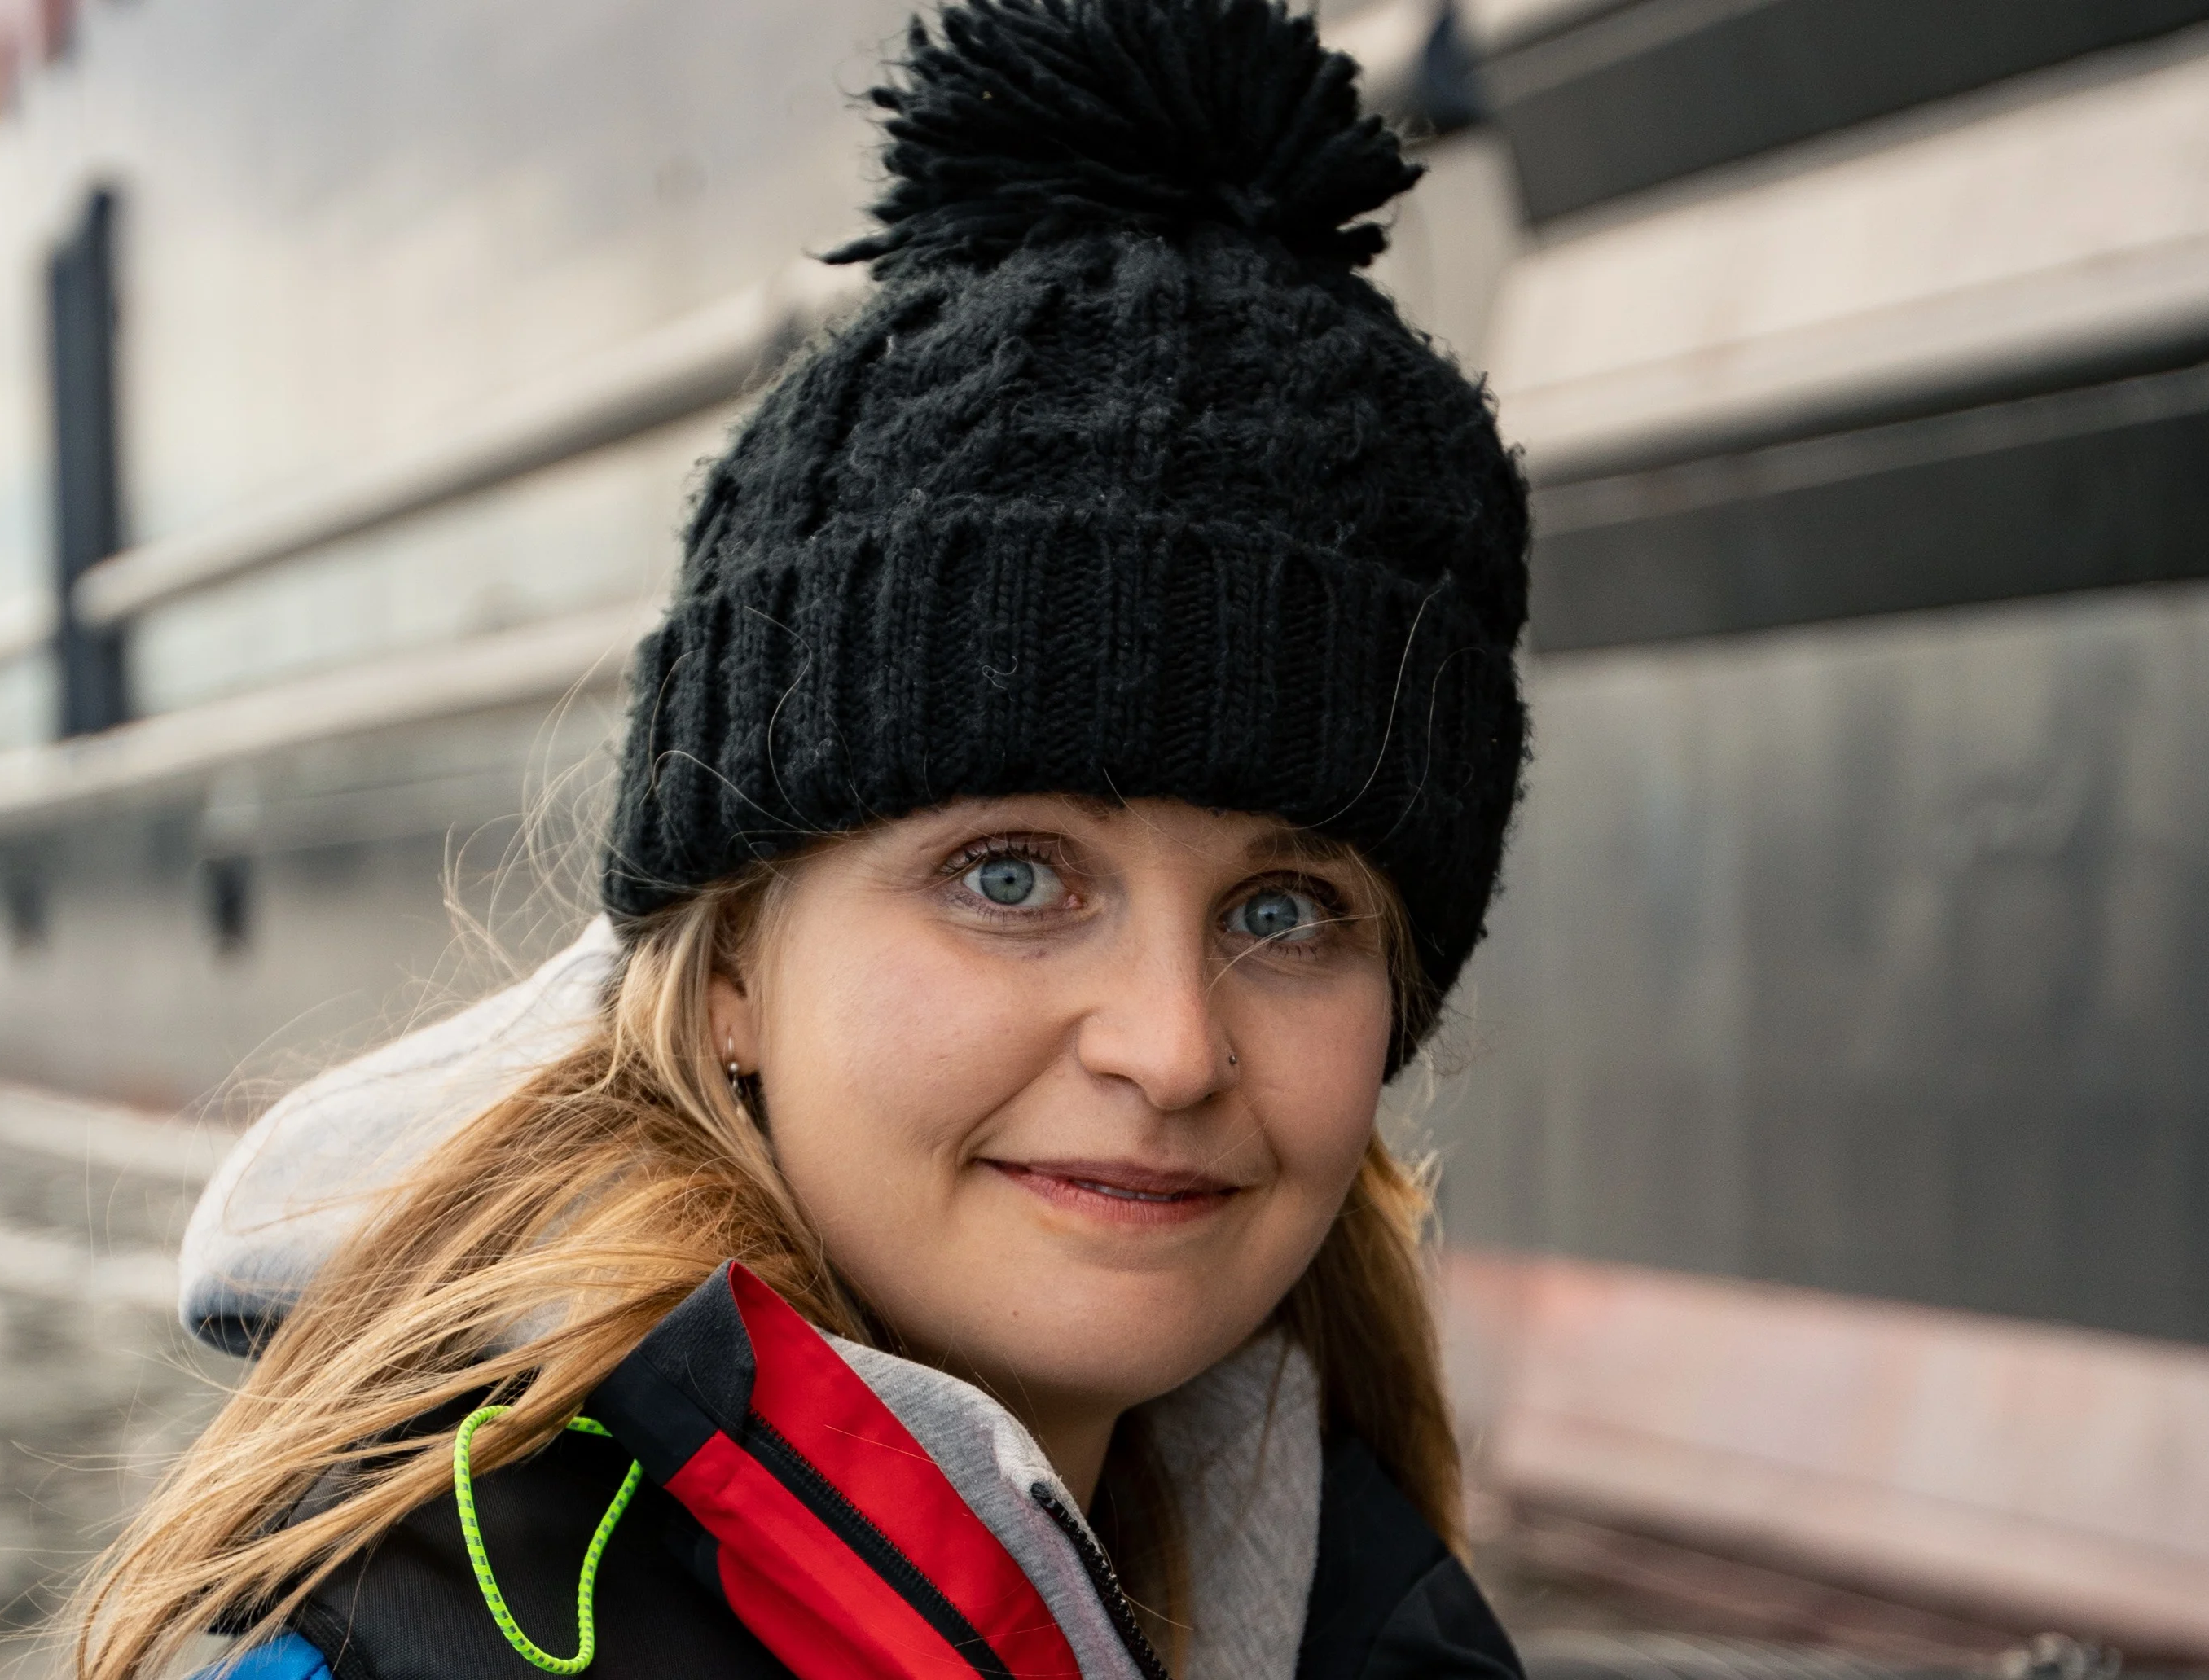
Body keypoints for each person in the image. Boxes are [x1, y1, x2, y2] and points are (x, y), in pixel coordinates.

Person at [76, 0, 1530, 1672]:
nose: (1173, 1044)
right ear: (729, 972)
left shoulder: (1343, 1590)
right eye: (1011, 873)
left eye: (1286, 909)